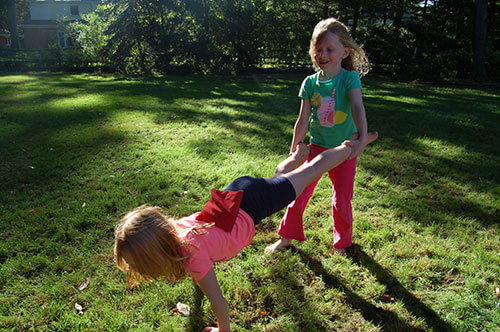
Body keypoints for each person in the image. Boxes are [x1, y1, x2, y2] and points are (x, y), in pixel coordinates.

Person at [114, 133, 377, 332]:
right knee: (276, 185)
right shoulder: (172, 231)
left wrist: (223, 330)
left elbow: (217, 301)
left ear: (158, 251)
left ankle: (351, 147)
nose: (139, 270)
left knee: (312, 169)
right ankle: (293, 161)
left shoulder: (193, 256)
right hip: (237, 192)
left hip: (250, 205)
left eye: (140, 263)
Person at [265, 18, 372, 256]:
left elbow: (357, 107)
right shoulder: (310, 83)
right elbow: (303, 119)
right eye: (318, 49)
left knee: (342, 198)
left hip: (344, 151)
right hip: (315, 149)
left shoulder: (349, 79)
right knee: (298, 192)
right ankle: (286, 238)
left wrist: (361, 140)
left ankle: (342, 243)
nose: (322, 54)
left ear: (345, 52)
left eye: (329, 49)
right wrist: (295, 149)